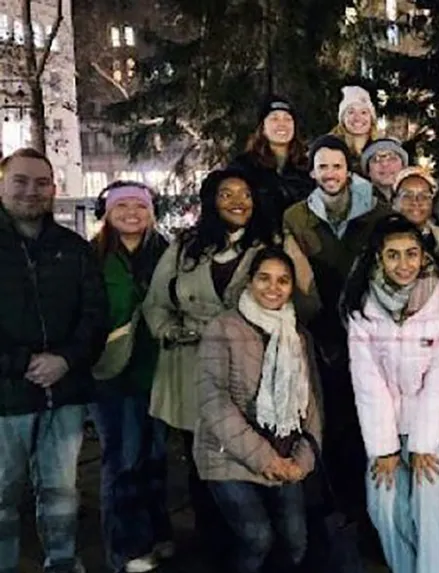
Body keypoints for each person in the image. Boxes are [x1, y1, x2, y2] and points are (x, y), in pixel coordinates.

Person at [143, 167, 317, 560]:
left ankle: (259, 551)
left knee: (256, 456)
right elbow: (155, 301)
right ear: (211, 200)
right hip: (190, 366)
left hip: (254, 370)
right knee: (203, 465)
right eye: (227, 194)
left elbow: (307, 299)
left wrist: (279, 327)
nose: (238, 201)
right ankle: (215, 550)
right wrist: (171, 330)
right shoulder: (187, 246)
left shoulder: (274, 241)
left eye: (246, 194)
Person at [282, 133, 389, 566]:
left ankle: (372, 518)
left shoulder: (378, 214)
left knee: (371, 426)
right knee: (331, 426)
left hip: (370, 334)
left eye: (337, 166)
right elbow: (296, 277)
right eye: (322, 166)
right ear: (312, 171)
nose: (330, 174)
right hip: (322, 335)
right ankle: (338, 515)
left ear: (349, 169)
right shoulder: (296, 217)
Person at [341, 214, 439, 573]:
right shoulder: (363, 303)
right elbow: (367, 380)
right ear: (379, 258)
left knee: (428, 501)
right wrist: (384, 447)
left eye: (411, 253)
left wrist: (423, 443)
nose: (404, 264)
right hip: (386, 415)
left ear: (424, 255)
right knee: (382, 501)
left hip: (438, 414)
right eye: (393, 255)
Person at [0, 148, 109, 573]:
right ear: (3, 184)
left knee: (62, 492)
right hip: (6, 396)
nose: (32, 191)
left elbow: (96, 313)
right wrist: (23, 362)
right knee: (3, 494)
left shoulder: (73, 247)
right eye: (21, 181)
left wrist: (66, 359)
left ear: (53, 189)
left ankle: (62, 562)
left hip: (63, 394)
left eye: (41, 183)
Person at [194, 247, 323, 573]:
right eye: (264, 278)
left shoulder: (297, 335)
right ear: (249, 281)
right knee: (257, 537)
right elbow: (214, 400)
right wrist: (264, 459)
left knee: (296, 543)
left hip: (287, 454)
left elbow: (310, 404)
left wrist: (302, 461)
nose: (273, 288)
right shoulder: (223, 328)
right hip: (229, 455)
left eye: (283, 280)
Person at [89, 181, 173, 573]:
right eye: (121, 205)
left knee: (156, 457)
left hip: (159, 370)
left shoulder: (166, 252)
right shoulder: (94, 256)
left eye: (139, 205)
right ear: (107, 212)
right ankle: (126, 547)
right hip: (113, 374)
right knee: (123, 460)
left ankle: (158, 532)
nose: (131, 213)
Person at [230, 95, 314, 230]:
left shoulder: (307, 167)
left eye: (288, 119)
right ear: (262, 127)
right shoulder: (244, 167)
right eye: (274, 118)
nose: (282, 124)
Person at [330, 85, 378, 172]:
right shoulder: (329, 149)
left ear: (371, 119)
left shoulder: (380, 150)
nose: (357, 118)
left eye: (363, 112)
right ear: (343, 119)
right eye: (351, 112)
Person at [361, 137, 409, 206]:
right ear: (368, 170)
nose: (384, 164)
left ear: (403, 166)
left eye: (392, 159)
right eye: (376, 160)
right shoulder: (358, 202)